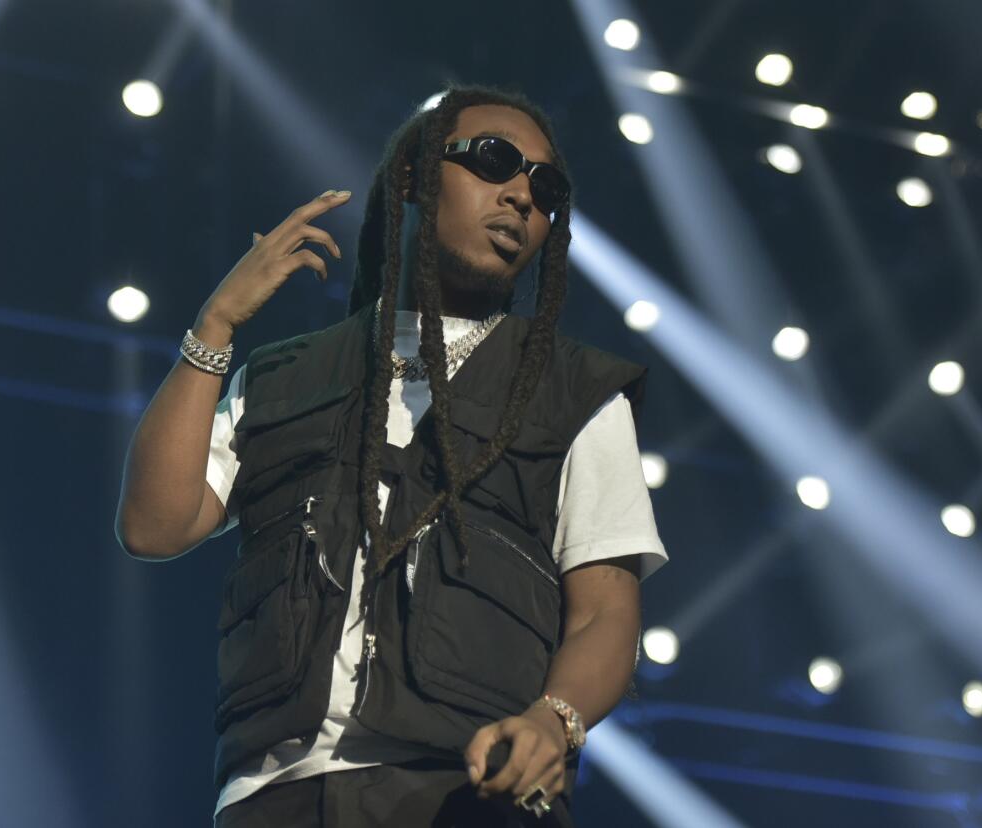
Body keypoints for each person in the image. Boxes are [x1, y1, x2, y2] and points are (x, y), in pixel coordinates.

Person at [115, 84, 668, 827]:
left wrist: (553, 720)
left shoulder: (577, 395)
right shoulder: (286, 378)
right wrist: (215, 326)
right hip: (270, 798)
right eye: (496, 161)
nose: (521, 196)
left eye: (546, 185)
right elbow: (155, 526)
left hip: (464, 794)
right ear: (411, 178)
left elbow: (604, 614)